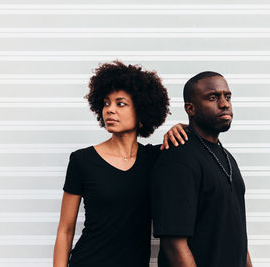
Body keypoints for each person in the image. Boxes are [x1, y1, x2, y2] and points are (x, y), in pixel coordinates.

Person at [53, 61, 188, 267]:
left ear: (142, 111)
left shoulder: (156, 158)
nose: (110, 110)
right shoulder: (82, 160)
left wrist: (182, 128)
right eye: (106, 103)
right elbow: (65, 230)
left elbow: (198, 141)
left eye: (120, 103)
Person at [151, 71, 253, 267]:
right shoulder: (178, 159)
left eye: (228, 96)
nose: (224, 104)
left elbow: (239, 236)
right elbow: (174, 245)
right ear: (191, 108)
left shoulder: (227, 158)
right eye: (213, 97)